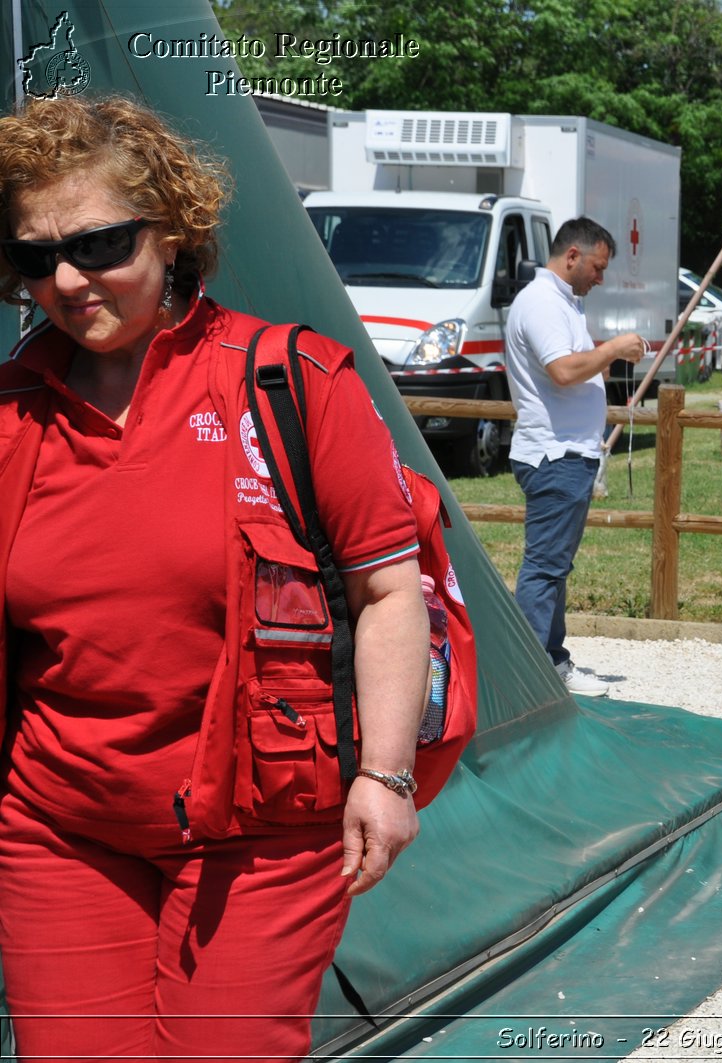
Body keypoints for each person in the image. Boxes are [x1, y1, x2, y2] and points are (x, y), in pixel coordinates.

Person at [0, 94, 429, 1059]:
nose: (69, 279)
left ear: (173, 229)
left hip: (264, 829)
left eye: (102, 243)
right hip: (59, 825)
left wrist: (385, 774)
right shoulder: (12, 409)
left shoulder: (291, 381)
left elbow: (389, 591)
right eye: (36, 256)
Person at [505, 217, 645, 697]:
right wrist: (612, 349)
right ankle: (528, 671)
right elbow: (563, 370)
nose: (600, 278)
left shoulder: (559, 301)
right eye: (597, 267)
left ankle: (550, 662)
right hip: (555, 455)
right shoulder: (543, 302)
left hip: (564, 453)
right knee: (545, 568)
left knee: (553, 566)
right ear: (572, 257)